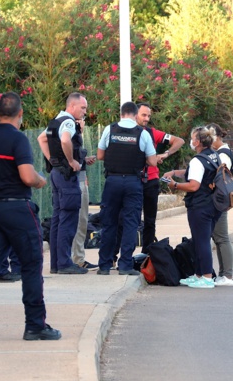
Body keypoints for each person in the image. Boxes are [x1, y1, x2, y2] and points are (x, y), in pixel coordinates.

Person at [0, 91, 61, 342]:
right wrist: (40, 181)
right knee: (30, 266)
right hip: (18, 209)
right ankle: (35, 325)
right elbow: (27, 176)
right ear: (20, 114)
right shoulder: (18, 140)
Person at [96, 102, 157, 276]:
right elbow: (152, 161)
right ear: (136, 114)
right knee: (131, 223)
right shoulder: (142, 134)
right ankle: (125, 266)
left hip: (112, 181)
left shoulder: (110, 130)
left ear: (121, 113)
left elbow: (100, 155)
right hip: (133, 182)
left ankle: (105, 265)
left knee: (109, 223)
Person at [163, 126, 221, 289]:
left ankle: (207, 277)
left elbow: (194, 185)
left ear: (197, 142)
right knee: (199, 240)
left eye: (192, 138)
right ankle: (199, 274)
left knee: (201, 241)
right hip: (213, 204)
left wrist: (175, 185)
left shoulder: (197, 160)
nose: (191, 140)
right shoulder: (213, 155)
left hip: (200, 205)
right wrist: (175, 172)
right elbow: (195, 173)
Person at [37, 92, 88, 275]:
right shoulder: (68, 122)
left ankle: (57, 264)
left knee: (58, 219)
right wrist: (71, 161)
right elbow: (66, 140)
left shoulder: (55, 120)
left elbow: (41, 139)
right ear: (72, 106)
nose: (84, 112)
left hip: (57, 174)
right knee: (68, 219)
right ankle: (65, 263)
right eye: (82, 108)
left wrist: (53, 160)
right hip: (67, 177)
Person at [135, 102, 184, 253]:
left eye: (149, 116)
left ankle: (147, 254)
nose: (147, 118)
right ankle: (124, 257)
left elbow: (179, 140)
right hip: (133, 180)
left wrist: (166, 154)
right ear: (134, 114)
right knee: (130, 219)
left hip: (151, 180)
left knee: (150, 221)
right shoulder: (127, 131)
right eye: (144, 115)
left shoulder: (152, 132)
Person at [206, 123, 233, 287]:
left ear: (216, 137)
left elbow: (220, 178)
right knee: (219, 238)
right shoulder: (223, 152)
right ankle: (224, 274)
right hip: (220, 200)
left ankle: (228, 275)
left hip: (219, 201)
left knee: (222, 238)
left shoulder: (223, 155)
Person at [71, 118, 98, 270]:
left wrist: (83, 160)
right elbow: (42, 138)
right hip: (76, 182)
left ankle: (70, 258)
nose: (82, 123)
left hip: (74, 180)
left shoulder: (72, 135)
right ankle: (78, 259)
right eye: (80, 119)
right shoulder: (71, 134)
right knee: (81, 220)